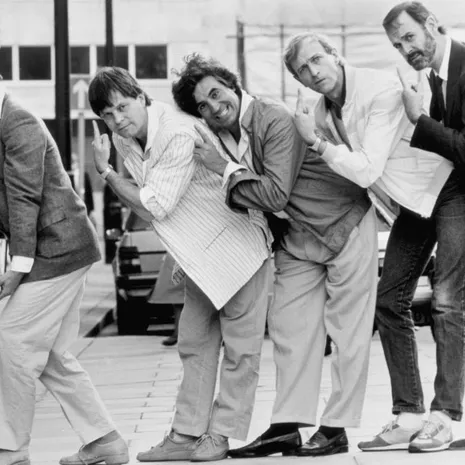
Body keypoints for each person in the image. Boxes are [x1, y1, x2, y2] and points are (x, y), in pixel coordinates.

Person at [172, 53, 378, 458]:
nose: (214, 106)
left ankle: (335, 427)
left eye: (216, 93)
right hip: (297, 237)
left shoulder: (274, 118)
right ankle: (287, 425)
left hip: (343, 223)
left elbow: (274, 194)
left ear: (232, 85)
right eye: (203, 105)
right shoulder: (222, 136)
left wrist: (223, 169)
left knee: (347, 332)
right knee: (288, 328)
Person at [88, 66, 272, 462]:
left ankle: (220, 435)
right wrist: (180, 252)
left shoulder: (176, 132)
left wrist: (105, 172)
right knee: (194, 342)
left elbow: (155, 204)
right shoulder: (124, 139)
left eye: (123, 106)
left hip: (239, 248)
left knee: (241, 352)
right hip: (199, 254)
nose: (118, 119)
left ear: (141, 96)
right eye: (107, 114)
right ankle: (186, 434)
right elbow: (162, 202)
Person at [0, 82, 128, 465]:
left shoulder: (17, 121)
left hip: (60, 247)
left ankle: (12, 451)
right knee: (51, 355)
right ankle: (105, 439)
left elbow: (24, 197)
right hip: (51, 249)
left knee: (12, 340)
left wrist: (17, 265)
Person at [359, 2, 465, 453]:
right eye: (397, 44)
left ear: (432, 25)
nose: (405, 49)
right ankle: (409, 415)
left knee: (447, 300)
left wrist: (418, 118)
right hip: (426, 194)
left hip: (460, 193)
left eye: (409, 37)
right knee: (388, 298)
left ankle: (445, 417)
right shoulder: (426, 77)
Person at [148, 252, 184, 346]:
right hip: (180, 260)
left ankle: (179, 333)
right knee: (179, 300)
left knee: (182, 300)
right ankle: (178, 333)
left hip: (191, 260)